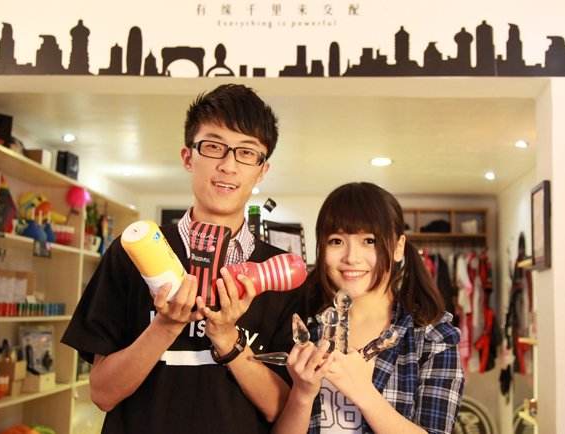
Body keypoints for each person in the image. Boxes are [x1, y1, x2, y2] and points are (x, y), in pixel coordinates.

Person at [62, 84, 297, 434]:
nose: (228, 165)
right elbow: (102, 393)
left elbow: (283, 409)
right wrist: (165, 326)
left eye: (247, 153)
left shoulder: (280, 274)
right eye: (214, 147)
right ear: (188, 157)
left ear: (262, 170)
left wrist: (228, 339)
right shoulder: (131, 254)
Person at [272, 182, 464, 434]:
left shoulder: (433, 337)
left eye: (369, 241)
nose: (351, 257)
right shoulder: (304, 328)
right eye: (336, 241)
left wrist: (363, 392)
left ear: (398, 247)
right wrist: (302, 394)